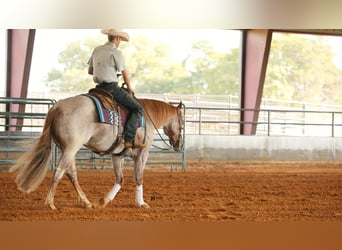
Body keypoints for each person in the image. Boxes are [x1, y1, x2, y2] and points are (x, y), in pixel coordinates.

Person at [87, 29, 145, 150]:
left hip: (98, 88)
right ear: (117, 38)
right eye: (121, 40)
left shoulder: (97, 49)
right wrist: (129, 87)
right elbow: (124, 71)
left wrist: (104, 71)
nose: (120, 42)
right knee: (138, 108)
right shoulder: (115, 52)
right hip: (111, 88)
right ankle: (129, 139)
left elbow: (90, 71)